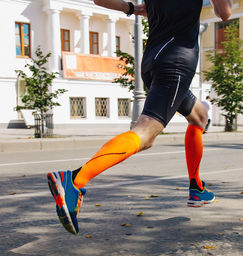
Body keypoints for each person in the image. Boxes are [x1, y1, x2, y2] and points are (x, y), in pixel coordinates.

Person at [47, 0, 232, 235]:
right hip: (176, 62)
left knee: (200, 116)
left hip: (152, 61)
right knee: (144, 134)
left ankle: (196, 186)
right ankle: (74, 180)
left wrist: (133, 8)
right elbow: (224, 13)